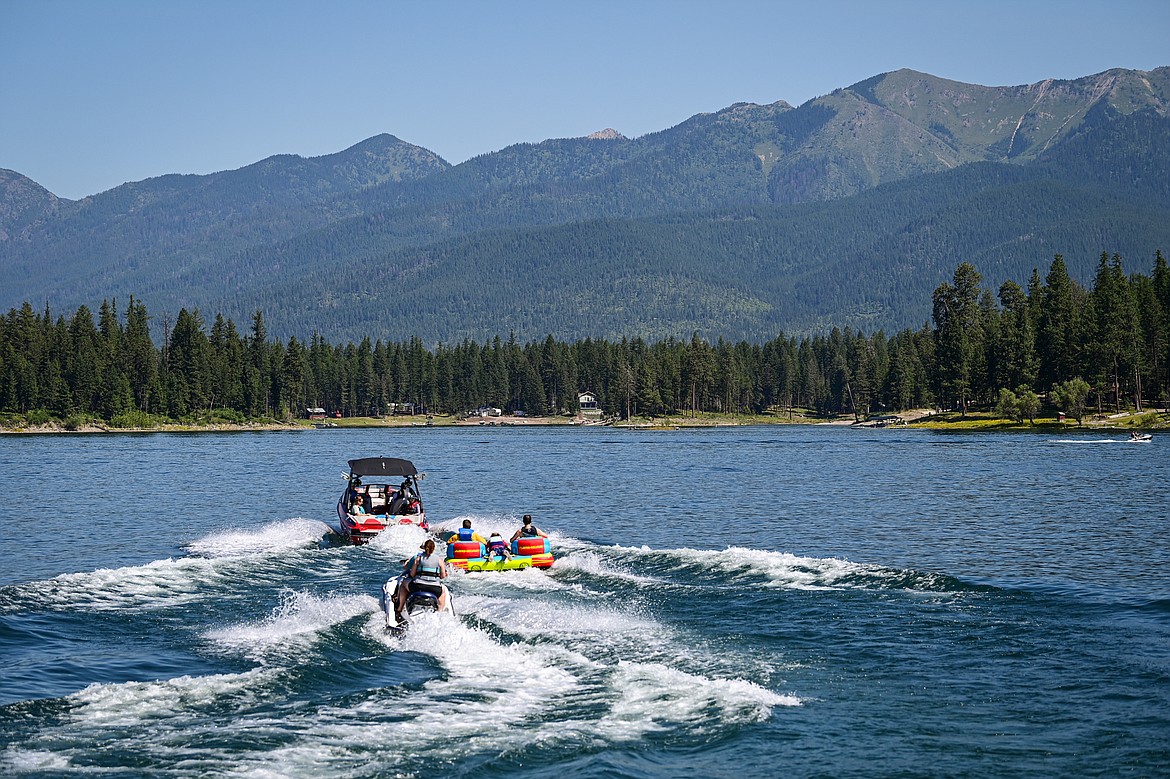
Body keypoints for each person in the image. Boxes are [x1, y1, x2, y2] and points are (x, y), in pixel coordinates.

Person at [397, 538, 448, 618]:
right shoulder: (439, 560)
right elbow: (443, 576)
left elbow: (412, 574)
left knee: (403, 584)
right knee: (443, 592)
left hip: (418, 587)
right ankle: (440, 612)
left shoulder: (418, 558)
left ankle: (400, 608)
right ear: (433, 548)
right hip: (434, 589)